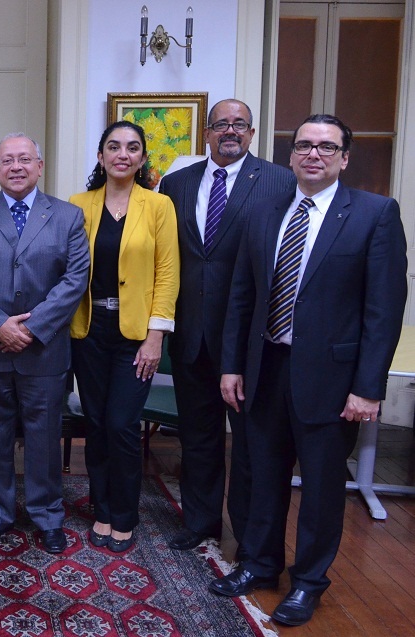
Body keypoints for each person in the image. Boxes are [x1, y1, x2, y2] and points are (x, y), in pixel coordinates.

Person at [211, 114, 407, 627]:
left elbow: (383, 312)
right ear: (292, 155)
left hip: (332, 380)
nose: (313, 154)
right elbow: (241, 297)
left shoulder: (375, 214)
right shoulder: (264, 211)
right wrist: (232, 365)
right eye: (303, 146)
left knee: (321, 488)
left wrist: (368, 388)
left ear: (344, 158)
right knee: (261, 475)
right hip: (265, 369)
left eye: (326, 147)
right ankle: (260, 564)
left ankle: (308, 582)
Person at [158, 100, 295, 554]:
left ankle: (250, 539)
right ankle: (201, 523)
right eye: (220, 124)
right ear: (207, 133)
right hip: (191, 335)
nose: (229, 131)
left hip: (252, 339)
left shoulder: (280, 181)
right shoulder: (176, 184)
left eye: (239, 124)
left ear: (252, 133)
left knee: (252, 444)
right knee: (198, 437)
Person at [0, 132, 89, 554]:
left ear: (39, 166)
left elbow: (75, 279)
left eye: (24, 159)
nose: (16, 166)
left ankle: (48, 516)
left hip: (44, 349)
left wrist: (30, 328)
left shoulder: (68, 216)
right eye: (7, 160)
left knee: (44, 439)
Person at [69, 121, 179, 553]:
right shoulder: (78, 205)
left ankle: (125, 515)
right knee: (96, 424)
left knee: (122, 424)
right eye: (113, 147)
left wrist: (156, 336)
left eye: (132, 148)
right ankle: (102, 509)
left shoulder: (159, 206)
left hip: (136, 336)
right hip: (87, 330)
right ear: (100, 156)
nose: (123, 154)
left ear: (142, 158)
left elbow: (167, 274)